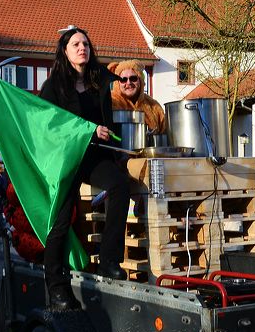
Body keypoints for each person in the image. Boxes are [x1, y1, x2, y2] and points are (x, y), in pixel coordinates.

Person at [39, 26, 130, 310]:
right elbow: (49, 128)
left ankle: (108, 261)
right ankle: (56, 287)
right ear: (64, 51)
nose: (82, 48)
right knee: (61, 220)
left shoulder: (97, 82)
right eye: (76, 44)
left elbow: (108, 118)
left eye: (86, 44)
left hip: (94, 157)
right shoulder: (53, 87)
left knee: (120, 185)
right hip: (65, 159)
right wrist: (90, 131)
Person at [108, 60, 166, 134]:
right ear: (117, 83)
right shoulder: (110, 102)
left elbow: (165, 134)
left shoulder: (154, 106)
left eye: (133, 78)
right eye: (123, 79)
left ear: (140, 80)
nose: (128, 83)